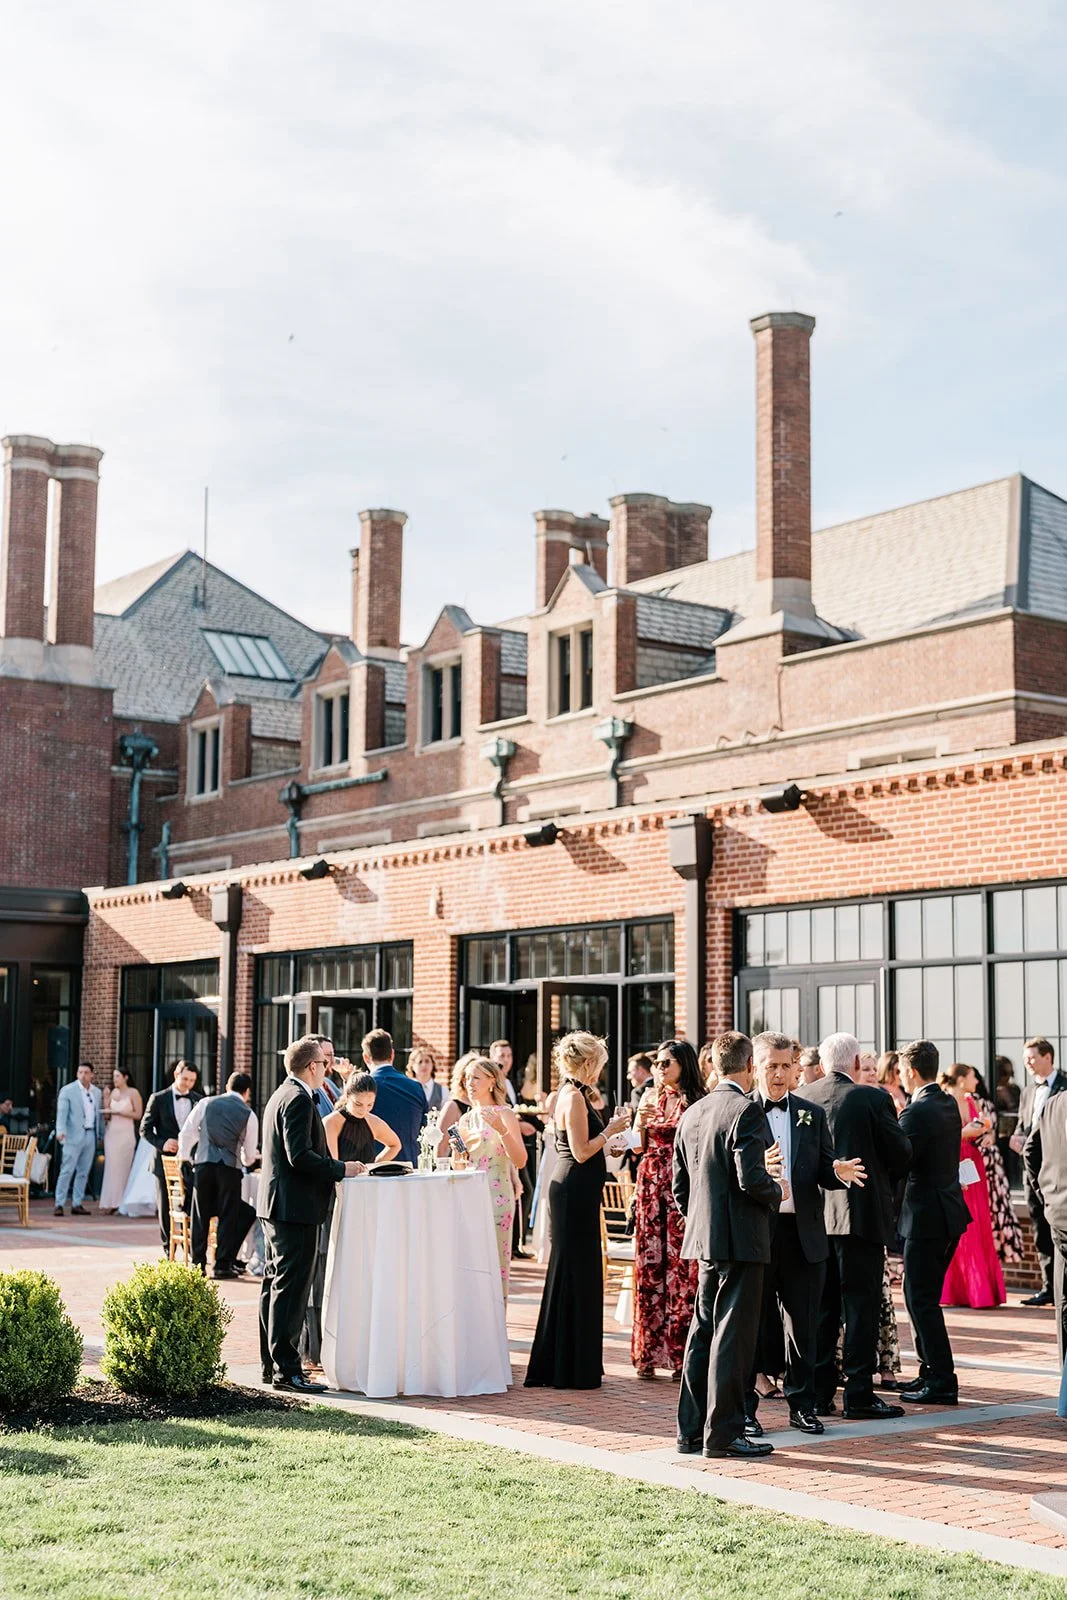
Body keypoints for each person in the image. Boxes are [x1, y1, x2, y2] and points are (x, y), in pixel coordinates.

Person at [746, 1031, 866, 1437]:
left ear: (797, 1068)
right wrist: (758, 1168)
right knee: (753, 1324)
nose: (779, 1074)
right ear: (755, 1067)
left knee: (805, 1326)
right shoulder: (742, 1112)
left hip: (804, 1234)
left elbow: (822, 1166)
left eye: (786, 1066)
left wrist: (837, 1171)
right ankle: (746, 1410)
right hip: (758, 1234)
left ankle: (803, 1405)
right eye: (771, 1066)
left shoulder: (810, 1112)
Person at [673, 1031, 784, 1459]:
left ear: (714, 1066)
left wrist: (701, 1220)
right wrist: (777, 1191)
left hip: (705, 1238)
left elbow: (680, 1186)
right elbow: (751, 1178)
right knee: (732, 1337)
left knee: (703, 1331)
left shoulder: (694, 1111)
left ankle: (690, 1431)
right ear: (751, 1066)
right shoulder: (746, 1110)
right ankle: (723, 1434)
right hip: (742, 1239)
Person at [797, 1031, 911, 1420]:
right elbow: (901, 1153)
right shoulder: (873, 1099)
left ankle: (819, 1393)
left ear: (822, 1063)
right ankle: (859, 1394)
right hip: (860, 1215)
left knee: (822, 1308)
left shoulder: (804, 1098)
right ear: (857, 1061)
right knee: (860, 1307)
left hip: (815, 1218)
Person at [525, 1031, 630, 1389]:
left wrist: (610, 1145)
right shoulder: (572, 1097)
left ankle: (572, 1361)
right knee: (574, 1272)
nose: (600, 1071)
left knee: (580, 1273)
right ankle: (566, 1365)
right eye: (598, 1064)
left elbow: (588, 1147)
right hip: (572, 1191)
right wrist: (610, 1130)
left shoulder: (576, 1095)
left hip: (579, 1191)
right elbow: (581, 1151)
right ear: (587, 1063)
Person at [257, 1035, 362, 1392]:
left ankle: (272, 1365)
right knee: (291, 1288)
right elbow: (299, 1156)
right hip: (294, 1208)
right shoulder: (299, 1099)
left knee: (275, 1284)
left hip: (279, 1205)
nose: (328, 1068)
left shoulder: (282, 1094)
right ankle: (288, 1371)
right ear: (312, 1066)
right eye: (324, 1063)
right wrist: (341, 1168)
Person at [896, 1040, 971, 1405]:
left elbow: (899, 1161)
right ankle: (929, 1371)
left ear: (911, 1071)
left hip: (926, 1217)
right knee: (919, 1295)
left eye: (901, 1070)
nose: (899, 1076)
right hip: (948, 1212)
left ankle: (941, 1379)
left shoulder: (916, 1112)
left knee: (921, 1298)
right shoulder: (947, 1103)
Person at [631, 1040, 706, 1380]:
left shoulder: (697, 1101)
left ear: (683, 1065)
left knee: (681, 1269)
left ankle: (679, 1354)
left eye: (666, 1063)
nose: (659, 1069)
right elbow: (636, 1147)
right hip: (650, 1186)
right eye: (657, 1063)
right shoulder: (650, 1098)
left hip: (680, 1184)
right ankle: (648, 1353)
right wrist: (639, 1123)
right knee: (650, 1265)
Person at [456, 1056, 528, 1299]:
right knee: (470, 1264)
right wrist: (457, 1151)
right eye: (467, 1078)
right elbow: (460, 1165)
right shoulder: (466, 1119)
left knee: (496, 1264)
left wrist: (501, 1129)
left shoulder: (505, 1114)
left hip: (497, 1198)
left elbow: (520, 1160)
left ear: (491, 1081)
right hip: (470, 1198)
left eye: (476, 1078)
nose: (469, 1083)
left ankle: (496, 1317)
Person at [936, 1063, 1005, 1309]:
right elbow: (942, 1137)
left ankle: (981, 1290)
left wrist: (987, 1134)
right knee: (960, 1226)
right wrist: (966, 1132)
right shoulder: (945, 1102)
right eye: (973, 1076)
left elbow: (986, 1129)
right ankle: (958, 1290)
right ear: (962, 1079)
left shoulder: (971, 1101)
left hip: (974, 1165)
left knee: (979, 1223)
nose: (977, 1081)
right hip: (954, 1163)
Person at [178, 1071, 259, 1279]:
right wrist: (247, 1157)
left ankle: (197, 1265)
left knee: (200, 1215)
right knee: (228, 1216)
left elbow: (187, 1132)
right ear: (247, 1092)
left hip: (204, 1165)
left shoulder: (206, 1103)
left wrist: (185, 1158)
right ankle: (222, 1265)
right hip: (230, 1170)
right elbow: (249, 1156)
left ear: (226, 1087)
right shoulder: (249, 1114)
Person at [1011, 1038, 1063, 1307]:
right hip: (1031, 1170)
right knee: (1039, 1226)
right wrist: (1016, 1136)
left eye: (1031, 1057)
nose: (1027, 1063)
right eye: (1025, 1058)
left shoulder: (1065, 1086)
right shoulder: (1028, 1091)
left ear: (1048, 1057)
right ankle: (1048, 1287)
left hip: (1059, 1170)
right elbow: (1023, 1124)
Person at [140, 1060, 204, 1251]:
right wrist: (162, 1143)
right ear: (176, 1075)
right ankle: (168, 1247)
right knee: (165, 1204)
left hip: (190, 1161)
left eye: (192, 1081)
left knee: (191, 1202)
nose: (188, 1084)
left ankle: (190, 1245)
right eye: (185, 1079)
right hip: (164, 1160)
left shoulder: (199, 1100)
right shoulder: (158, 1098)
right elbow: (144, 1129)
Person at [1023, 1085, 1067, 1364]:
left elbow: (1029, 1151)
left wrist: (1046, 1196)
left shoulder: (1053, 1104)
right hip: (1057, 1212)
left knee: (1064, 1301)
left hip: (1059, 1214)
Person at [362, 1028, 425, 1164]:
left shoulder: (364, 1088)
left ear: (365, 1057)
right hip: (410, 1165)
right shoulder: (415, 1087)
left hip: (374, 1167)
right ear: (392, 1054)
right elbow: (424, 1129)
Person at [54, 1062, 104, 1217]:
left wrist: (100, 1134)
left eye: (86, 1072)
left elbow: (99, 1115)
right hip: (72, 1135)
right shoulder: (68, 1090)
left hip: (90, 1135)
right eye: (80, 1072)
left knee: (83, 1171)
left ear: (92, 1075)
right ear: (77, 1074)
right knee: (67, 1170)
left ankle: (77, 1203)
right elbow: (62, 1113)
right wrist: (60, 1131)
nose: (83, 1075)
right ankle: (59, 1203)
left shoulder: (96, 1092)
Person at [324, 1070, 402, 1167]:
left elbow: (395, 1145)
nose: (363, 1110)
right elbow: (333, 1166)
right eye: (358, 1104)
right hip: (341, 1176)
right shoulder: (331, 1123)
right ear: (347, 1096)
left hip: (368, 1176)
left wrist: (373, 1166)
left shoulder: (373, 1122)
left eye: (369, 1105)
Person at [98, 1067, 143, 1213]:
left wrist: (121, 1112)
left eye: (117, 1076)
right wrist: (106, 1099)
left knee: (123, 1168)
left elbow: (138, 1114)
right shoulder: (113, 1093)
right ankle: (110, 1202)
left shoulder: (133, 1092)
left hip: (126, 1134)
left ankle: (122, 1202)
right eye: (114, 1076)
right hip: (112, 1133)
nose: (115, 1079)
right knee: (111, 1168)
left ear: (125, 1077)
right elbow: (107, 1115)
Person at [996, 1055, 1022, 1188]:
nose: (1007, 1077)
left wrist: (1007, 1096)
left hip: (1013, 1135)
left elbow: (1019, 1110)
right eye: (1004, 1073)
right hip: (997, 1137)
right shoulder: (989, 1089)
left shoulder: (1014, 1089)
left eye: (1010, 1073)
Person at [407, 1047, 446, 1114]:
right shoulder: (406, 1089)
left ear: (433, 1064)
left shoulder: (442, 1090)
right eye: (420, 1062)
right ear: (412, 1065)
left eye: (427, 1061)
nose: (424, 1065)